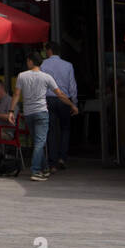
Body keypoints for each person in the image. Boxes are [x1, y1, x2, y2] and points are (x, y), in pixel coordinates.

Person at [9, 53, 79, 181]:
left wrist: (11, 111)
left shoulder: (22, 76)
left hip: (28, 113)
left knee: (37, 142)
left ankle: (45, 168)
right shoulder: (47, 77)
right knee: (40, 142)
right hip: (41, 112)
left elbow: (16, 94)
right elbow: (60, 94)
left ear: (30, 61)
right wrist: (72, 105)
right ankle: (36, 170)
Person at [40, 40, 78, 171]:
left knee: (50, 130)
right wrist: (74, 103)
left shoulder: (43, 65)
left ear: (49, 51)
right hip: (63, 99)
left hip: (48, 99)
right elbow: (72, 86)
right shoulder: (68, 65)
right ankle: (62, 157)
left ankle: (52, 163)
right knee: (65, 128)